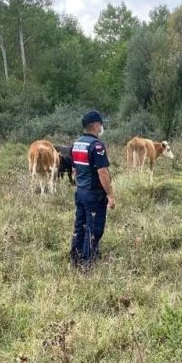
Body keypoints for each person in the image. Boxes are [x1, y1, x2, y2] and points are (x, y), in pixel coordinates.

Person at [69, 110, 116, 268]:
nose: (102, 127)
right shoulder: (97, 146)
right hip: (94, 194)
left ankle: (75, 258)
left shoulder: (76, 144)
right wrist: (110, 194)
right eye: (101, 125)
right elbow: (102, 172)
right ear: (96, 126)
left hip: (80, 191)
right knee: (94, 228)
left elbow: (74, 170)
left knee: (80, 225)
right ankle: (87, 263)